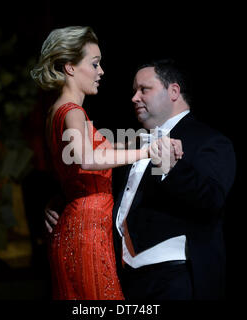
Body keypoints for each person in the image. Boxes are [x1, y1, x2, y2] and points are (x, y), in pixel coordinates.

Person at [45, 59, 236, 300]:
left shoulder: (208, 140)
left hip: (176, 277)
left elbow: (212, 200)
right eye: (134, 91)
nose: (135, 98)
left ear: (174, 91)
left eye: (144, 89)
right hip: (125, 279)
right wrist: (64, 200)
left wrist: (170, 169)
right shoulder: (133, 144)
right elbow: (102, 185)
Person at [30, 26, 182, 300]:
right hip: (86, 233)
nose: (101, 72)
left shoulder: (57, 111)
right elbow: (88, 159)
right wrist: (148, 151)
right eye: (95, 64)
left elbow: (103, 152)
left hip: (79, 227)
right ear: (70, 68)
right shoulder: (72, 111)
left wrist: (153, 142)